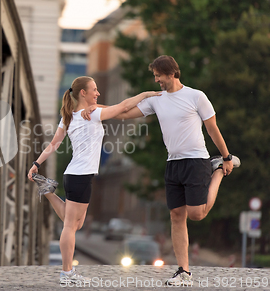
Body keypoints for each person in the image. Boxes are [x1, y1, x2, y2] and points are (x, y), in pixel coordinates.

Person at [82, 55, 240, 286]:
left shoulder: (196, 96)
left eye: (158, 76)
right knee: (177, 216)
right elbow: (125, 113)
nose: (156, 81)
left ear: (171, 73)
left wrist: (226, 157)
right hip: (173, 163)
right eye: (154, 76)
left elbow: (213, 128)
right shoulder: (157, 99)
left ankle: (216, 171)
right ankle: (183, 271)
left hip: (196, 161)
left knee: (197, 214)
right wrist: (95, 108)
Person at [27, 76, 160, 285]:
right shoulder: (93, 115)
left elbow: (53, 144)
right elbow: (123, 106)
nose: (97, 93)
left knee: (75, 223)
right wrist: (145, 95)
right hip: (80, 176)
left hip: (77, 175)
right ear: (83, 93)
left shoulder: (69, 116)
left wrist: (37, 162)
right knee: (70, 226)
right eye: (94, 90)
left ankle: (48, 191)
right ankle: (66, 273)